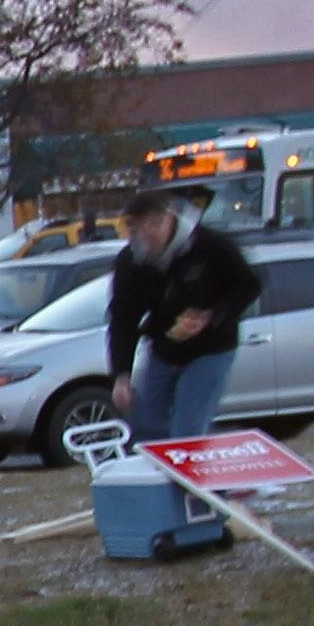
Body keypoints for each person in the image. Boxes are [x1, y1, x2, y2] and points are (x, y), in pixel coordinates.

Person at [107, 184, 260, 440]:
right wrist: (121, 375)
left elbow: (249, 285)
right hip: (164, 349)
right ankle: (155, 477)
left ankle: (187, 475)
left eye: (153, 227)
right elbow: (123, 318)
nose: (145, 238)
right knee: (145, 425)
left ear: (168, 220)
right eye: (137, 229)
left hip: (211, 348)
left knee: (187, 428)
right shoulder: (131, 261)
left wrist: (213, 316)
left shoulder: (211, 247)